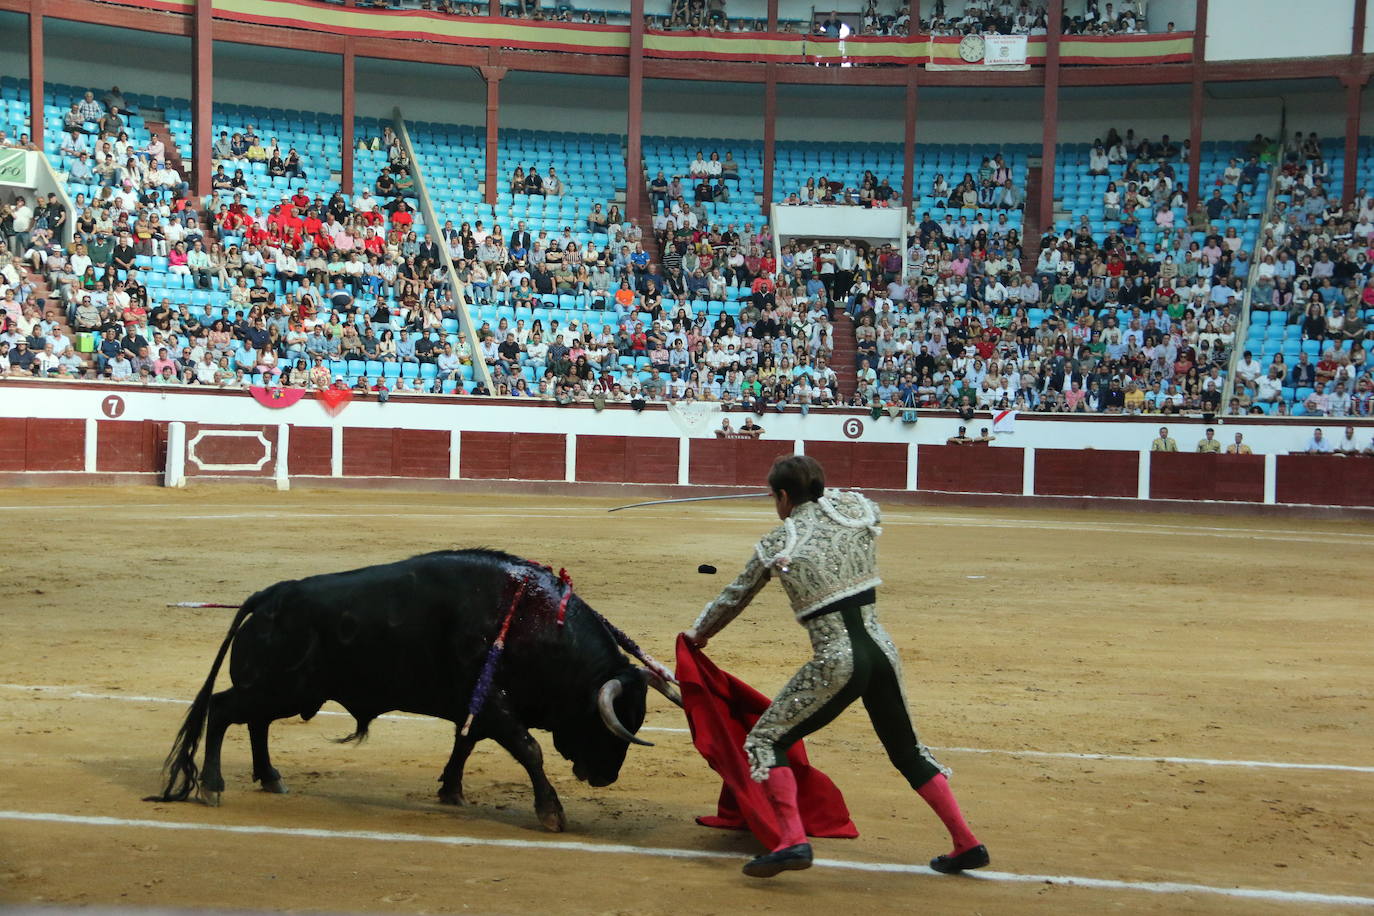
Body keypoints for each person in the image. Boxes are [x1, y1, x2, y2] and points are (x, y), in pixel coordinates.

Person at [681, 456, 986, 879]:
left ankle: (792, 840)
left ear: (783, 497)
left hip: (838, 659)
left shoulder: (779, 542)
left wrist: (697, 635)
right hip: (882, 650)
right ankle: (965, 841)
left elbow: (735, 596)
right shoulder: (857, 513)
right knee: (908, 751)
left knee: (767, 740)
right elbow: (851, 502)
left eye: (776, 497)